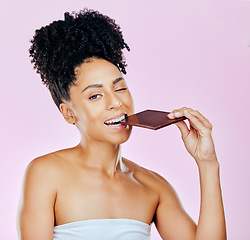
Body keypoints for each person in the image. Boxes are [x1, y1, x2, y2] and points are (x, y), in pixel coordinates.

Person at [17, 9, 227, 240]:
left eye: (120, 88)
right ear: (69, 113)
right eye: (95, 95)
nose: (116, 102)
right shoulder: (46, 173)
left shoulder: (153, 187)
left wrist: (207, 164)